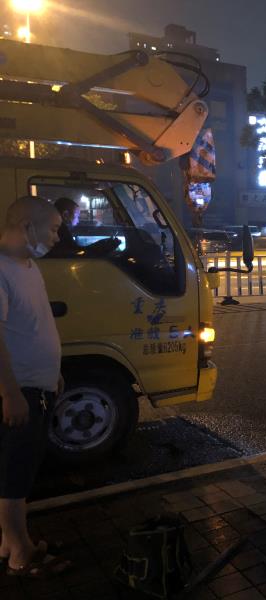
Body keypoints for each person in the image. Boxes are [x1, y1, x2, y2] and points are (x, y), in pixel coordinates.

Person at [0, 196, 71, 578]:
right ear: (28, 227)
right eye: (54, 229)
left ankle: (9, 542)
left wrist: (53, 371)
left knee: (22, 470)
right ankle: (20, 554)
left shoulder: (28, 265)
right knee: (15, 475)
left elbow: (36, 322)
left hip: (36, 385)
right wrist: (10, 393)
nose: (57, 237)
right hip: (21, 390)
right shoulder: (1, 269)